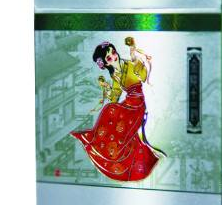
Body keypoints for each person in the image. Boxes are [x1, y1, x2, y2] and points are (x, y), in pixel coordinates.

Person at [70, 40, 164, 182]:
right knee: (110, 109)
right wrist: (106, 88)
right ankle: (105, 145)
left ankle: (114, 147)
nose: (114, 57)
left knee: (112, 111)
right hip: (128, 103)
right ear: (106, 64)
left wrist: (136, 59)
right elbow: (115, 97)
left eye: (113, 52)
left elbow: (144, 76)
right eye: (109, 57)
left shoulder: (130, 65)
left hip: (138, 105)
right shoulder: (115, 75)